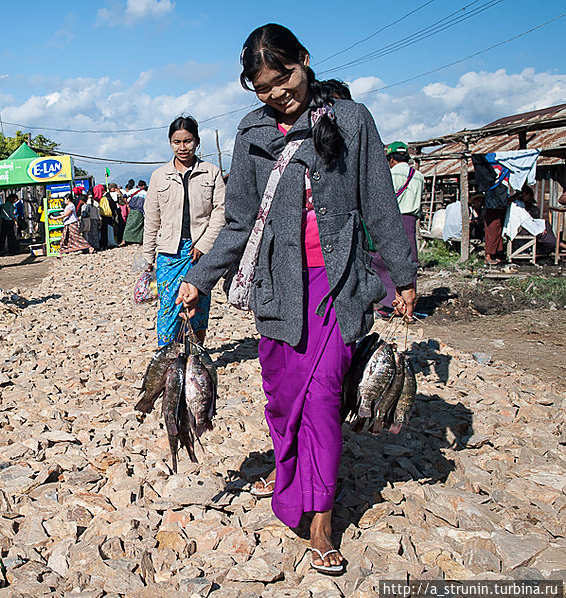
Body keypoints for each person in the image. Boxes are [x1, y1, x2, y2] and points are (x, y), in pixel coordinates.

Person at [176, 23, 416, 574]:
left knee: (324, 395)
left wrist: (402, 275)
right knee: (284, 398)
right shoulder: (252, 132)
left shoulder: (352, 121)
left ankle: (322, 518)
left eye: (283, 78)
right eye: (262, 87)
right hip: (276, 285)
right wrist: (201, 277)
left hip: (336, 282)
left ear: (304, 59)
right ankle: (288, 474)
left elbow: (379, 203)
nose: (276, 94)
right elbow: (239, 221)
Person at [143, 115, 226, 345]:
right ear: (170, 143)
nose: (182, 147)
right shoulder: (159, 176)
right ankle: (167, 355)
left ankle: (195, 355)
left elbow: (220, 212)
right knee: (169, 307)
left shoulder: (211, 172)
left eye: (187, 141)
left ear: (197, 142)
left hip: (200, 253)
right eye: (177, 142)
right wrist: (148, 257)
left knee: (198, 306)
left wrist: (204, 245)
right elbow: (152, 219)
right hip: (169, 254)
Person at [371, 141, 424, 316]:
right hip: (410, 222)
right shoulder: (419, 176)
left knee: (384, 259)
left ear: (391, 159)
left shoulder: (390, 175)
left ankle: (388, 305)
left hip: (392, 221)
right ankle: (408, 307)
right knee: (410, 260)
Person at [121, 180, 147, 245]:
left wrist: (127, 204)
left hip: (132, 209)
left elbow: (124, 196)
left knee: (129, 224)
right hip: (140, 210)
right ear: (143, 186)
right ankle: (138, 240)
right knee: (139, 225)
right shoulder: (145, 193)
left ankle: (125, 240)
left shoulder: (133, 191)